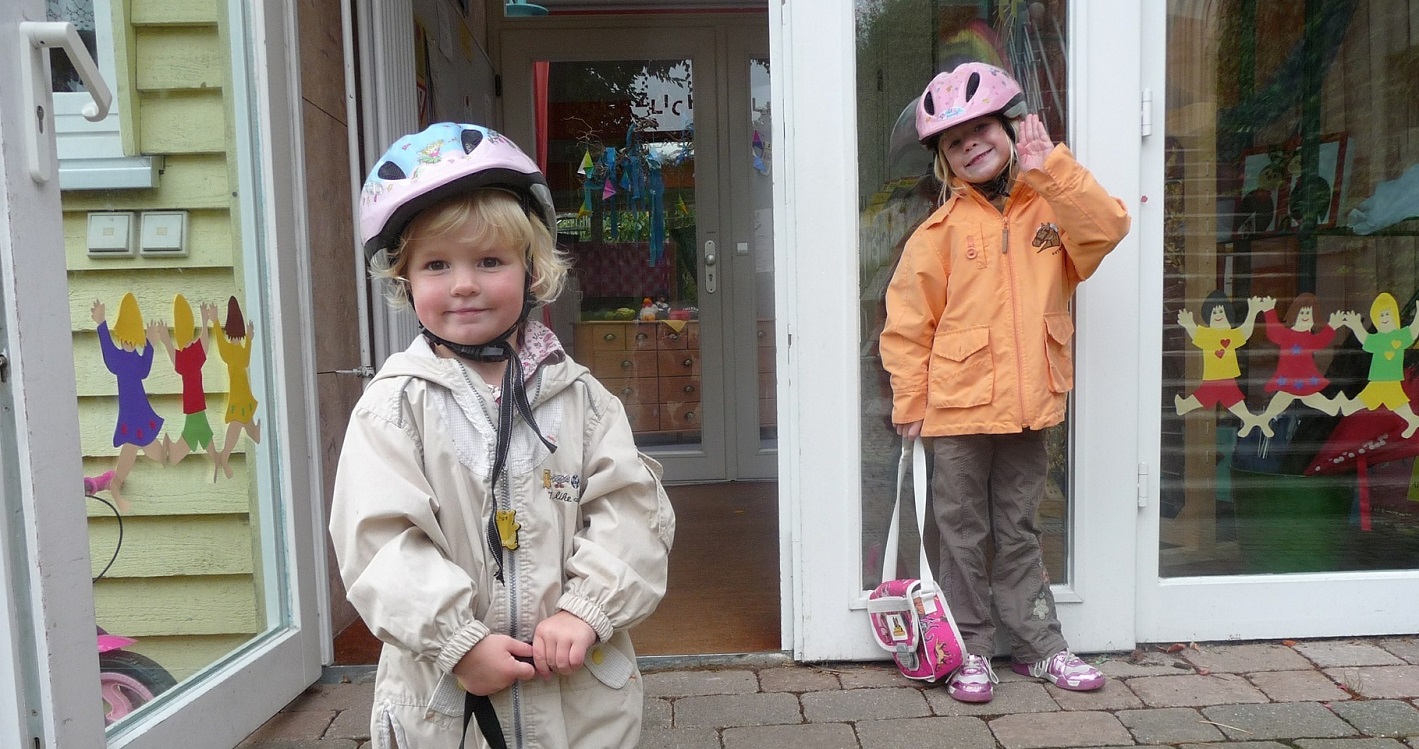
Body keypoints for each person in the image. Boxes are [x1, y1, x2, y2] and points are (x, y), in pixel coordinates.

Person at [329, 122, 675, 749]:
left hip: (578, 698)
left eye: (489, 261)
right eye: (438, 265)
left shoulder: (582, 401)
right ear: (405, 280)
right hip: (445, 703)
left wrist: (588, 609)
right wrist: (457, 642)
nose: (464, 283)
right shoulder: (393, 407)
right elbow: (379, 541)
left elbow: (632, 510)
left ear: (532, 269)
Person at [879, 63, 1131, 704]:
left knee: (1019, 527)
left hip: (1028, 406)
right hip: (957, 413)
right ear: (943, 160)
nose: (971, 144)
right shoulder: (936, 235)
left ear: (1011, 129)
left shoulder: (1053, 206)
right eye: (954, 140)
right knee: (960, 529)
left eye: (983, 128)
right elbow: (908, 324)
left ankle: (1039, 646)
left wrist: (1053, 167)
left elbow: (1108, 227)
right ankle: (969, 648)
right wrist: (909, 400)